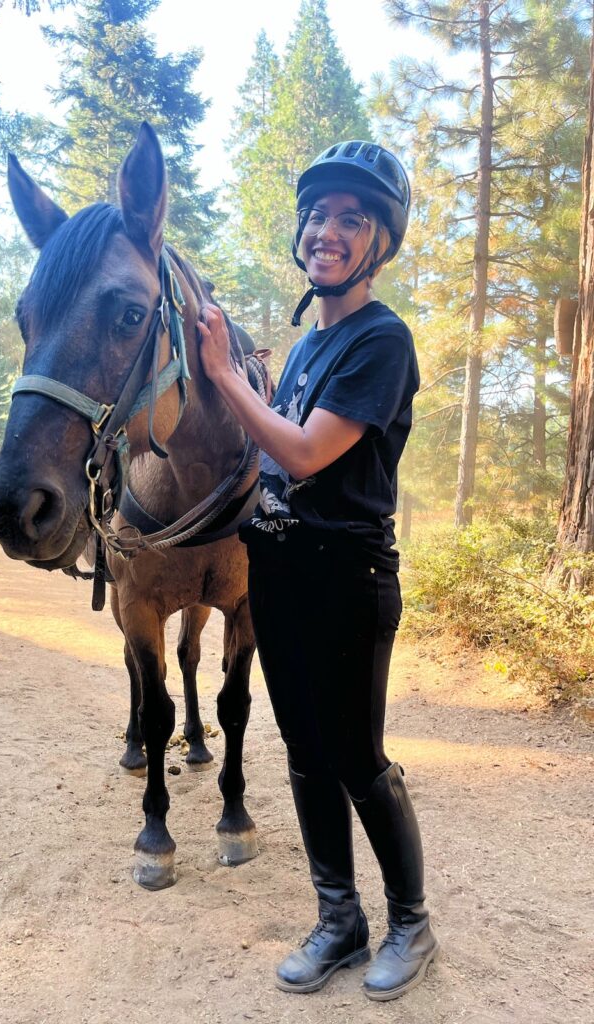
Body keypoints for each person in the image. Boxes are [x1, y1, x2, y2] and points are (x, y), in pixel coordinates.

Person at [197, 140, 438, 1002]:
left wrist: (224, 373)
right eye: (318, 215)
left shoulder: (383, 341)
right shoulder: (302, 352)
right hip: (282, 576)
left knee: (356, 757)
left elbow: (300, 454)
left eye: (351, 219)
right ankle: (340, 918)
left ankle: (411, 922)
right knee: (302, 752)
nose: (326, 231)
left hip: (348, 579)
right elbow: (265, 466)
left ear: (380, 241)